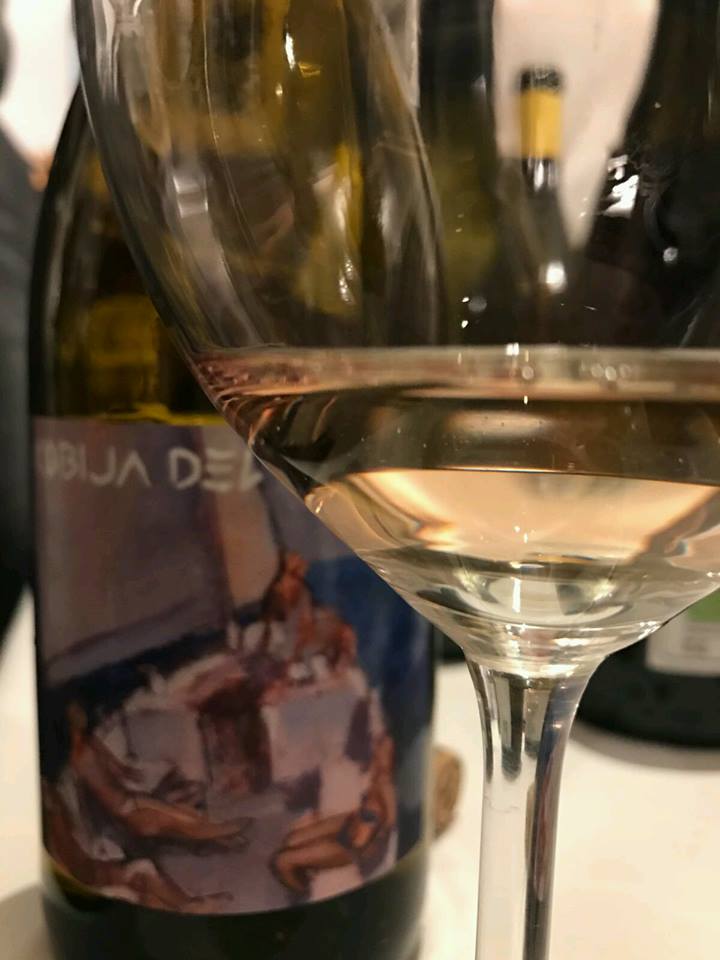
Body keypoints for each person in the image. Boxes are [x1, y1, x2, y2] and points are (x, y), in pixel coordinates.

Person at [270, 734, 397, 896]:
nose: (379, 750)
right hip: (349, 821)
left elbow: (390, 824)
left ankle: (303, 894)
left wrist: (372, 840)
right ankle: (309, 869)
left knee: (282, 862)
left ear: (393, 757)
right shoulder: (372, 768)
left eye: (385, 750)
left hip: (353, 847)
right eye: (380, 746)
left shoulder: (386, 786)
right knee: (290, 840)